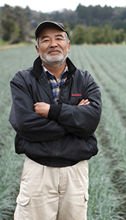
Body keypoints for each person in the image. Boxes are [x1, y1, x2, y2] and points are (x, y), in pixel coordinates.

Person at [9, 21, 102, 220]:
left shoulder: (85, 79)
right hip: (38, 172)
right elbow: (26, 125)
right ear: (37, 48)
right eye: (45, 40)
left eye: (59, 38)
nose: (53, 44)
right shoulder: (23, 80)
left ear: (68, 45)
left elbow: (91, 121)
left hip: (75, 173)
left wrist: (53, 111)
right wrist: (75, 119)